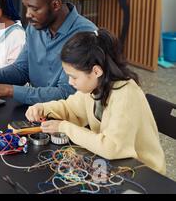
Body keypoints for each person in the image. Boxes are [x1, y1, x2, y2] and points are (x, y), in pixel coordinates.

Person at [26, 29, 166, 175]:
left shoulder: (126, 94)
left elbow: (112, 147)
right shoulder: (96, 85)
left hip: (144, 172)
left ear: (96, 71)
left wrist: (64, 127)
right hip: (115, 165)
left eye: (74, 77)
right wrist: (42, 108)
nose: (70, 82)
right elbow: (71, 109)